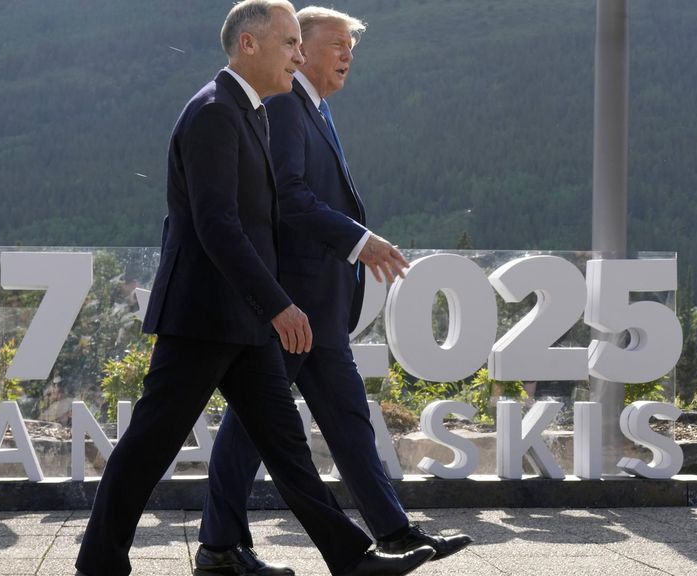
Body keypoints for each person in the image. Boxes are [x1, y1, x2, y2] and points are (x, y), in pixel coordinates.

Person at [74, 2, 434, 576]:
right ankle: (99, 562)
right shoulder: (214, 113)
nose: (298, 54)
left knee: (287, 447)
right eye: (290, 43)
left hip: (242, 320)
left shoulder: (252, 112)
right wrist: (279, 304)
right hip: (203, 318)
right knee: (149, 444)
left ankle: (350, 558)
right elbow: (217, 226)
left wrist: (267, 308)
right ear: (248, 44)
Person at [197, 6, 473, 576]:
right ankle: (218, 546)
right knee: (250, 428)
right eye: (337, 44)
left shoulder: (314, 108)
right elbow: (289, 197)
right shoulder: (284, 105)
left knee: (348, 422)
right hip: (290, 306)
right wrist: (360, 241)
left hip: (320, 307)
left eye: (352, 47)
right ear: (301, 48)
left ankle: (393, 532)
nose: (348, 55)